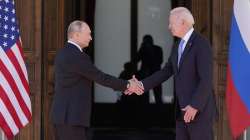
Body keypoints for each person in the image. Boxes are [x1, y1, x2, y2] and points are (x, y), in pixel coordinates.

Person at [132, 7, 216, 140]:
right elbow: (166, 71)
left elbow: (206, 79)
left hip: (198, 113)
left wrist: (195, 105)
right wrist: (142, 85)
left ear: (183, 22)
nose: (169, 26)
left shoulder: (201, 43)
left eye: (171, 23)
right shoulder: (177, 45)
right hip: (181, 113)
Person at [50, 20, 143, 140]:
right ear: (77, 35)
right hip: (71, 118)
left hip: (64, 116)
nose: (90, 38)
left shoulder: (62, 53)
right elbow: (100, 77)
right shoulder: (77, 56)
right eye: (88, 34)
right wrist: (128, 85)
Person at [136, 35, 163, 104]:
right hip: (149, 74)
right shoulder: (145, 50)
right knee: (145, 95)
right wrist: (141, 49)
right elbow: (136, 60)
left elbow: (160, 60)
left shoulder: (157, 49)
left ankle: (158, 108)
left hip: (152, 74)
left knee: (157, 94)